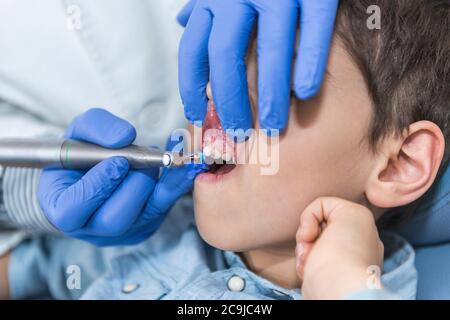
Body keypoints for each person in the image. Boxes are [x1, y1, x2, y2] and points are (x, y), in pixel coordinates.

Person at [1, 0, 448, 300]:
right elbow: (21, 272)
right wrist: (21, 194)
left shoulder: (358, 285)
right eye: (216, 76)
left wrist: (342, 282)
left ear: (400, 164)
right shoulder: (158, 238)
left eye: (280, 85)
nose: (217, 107)